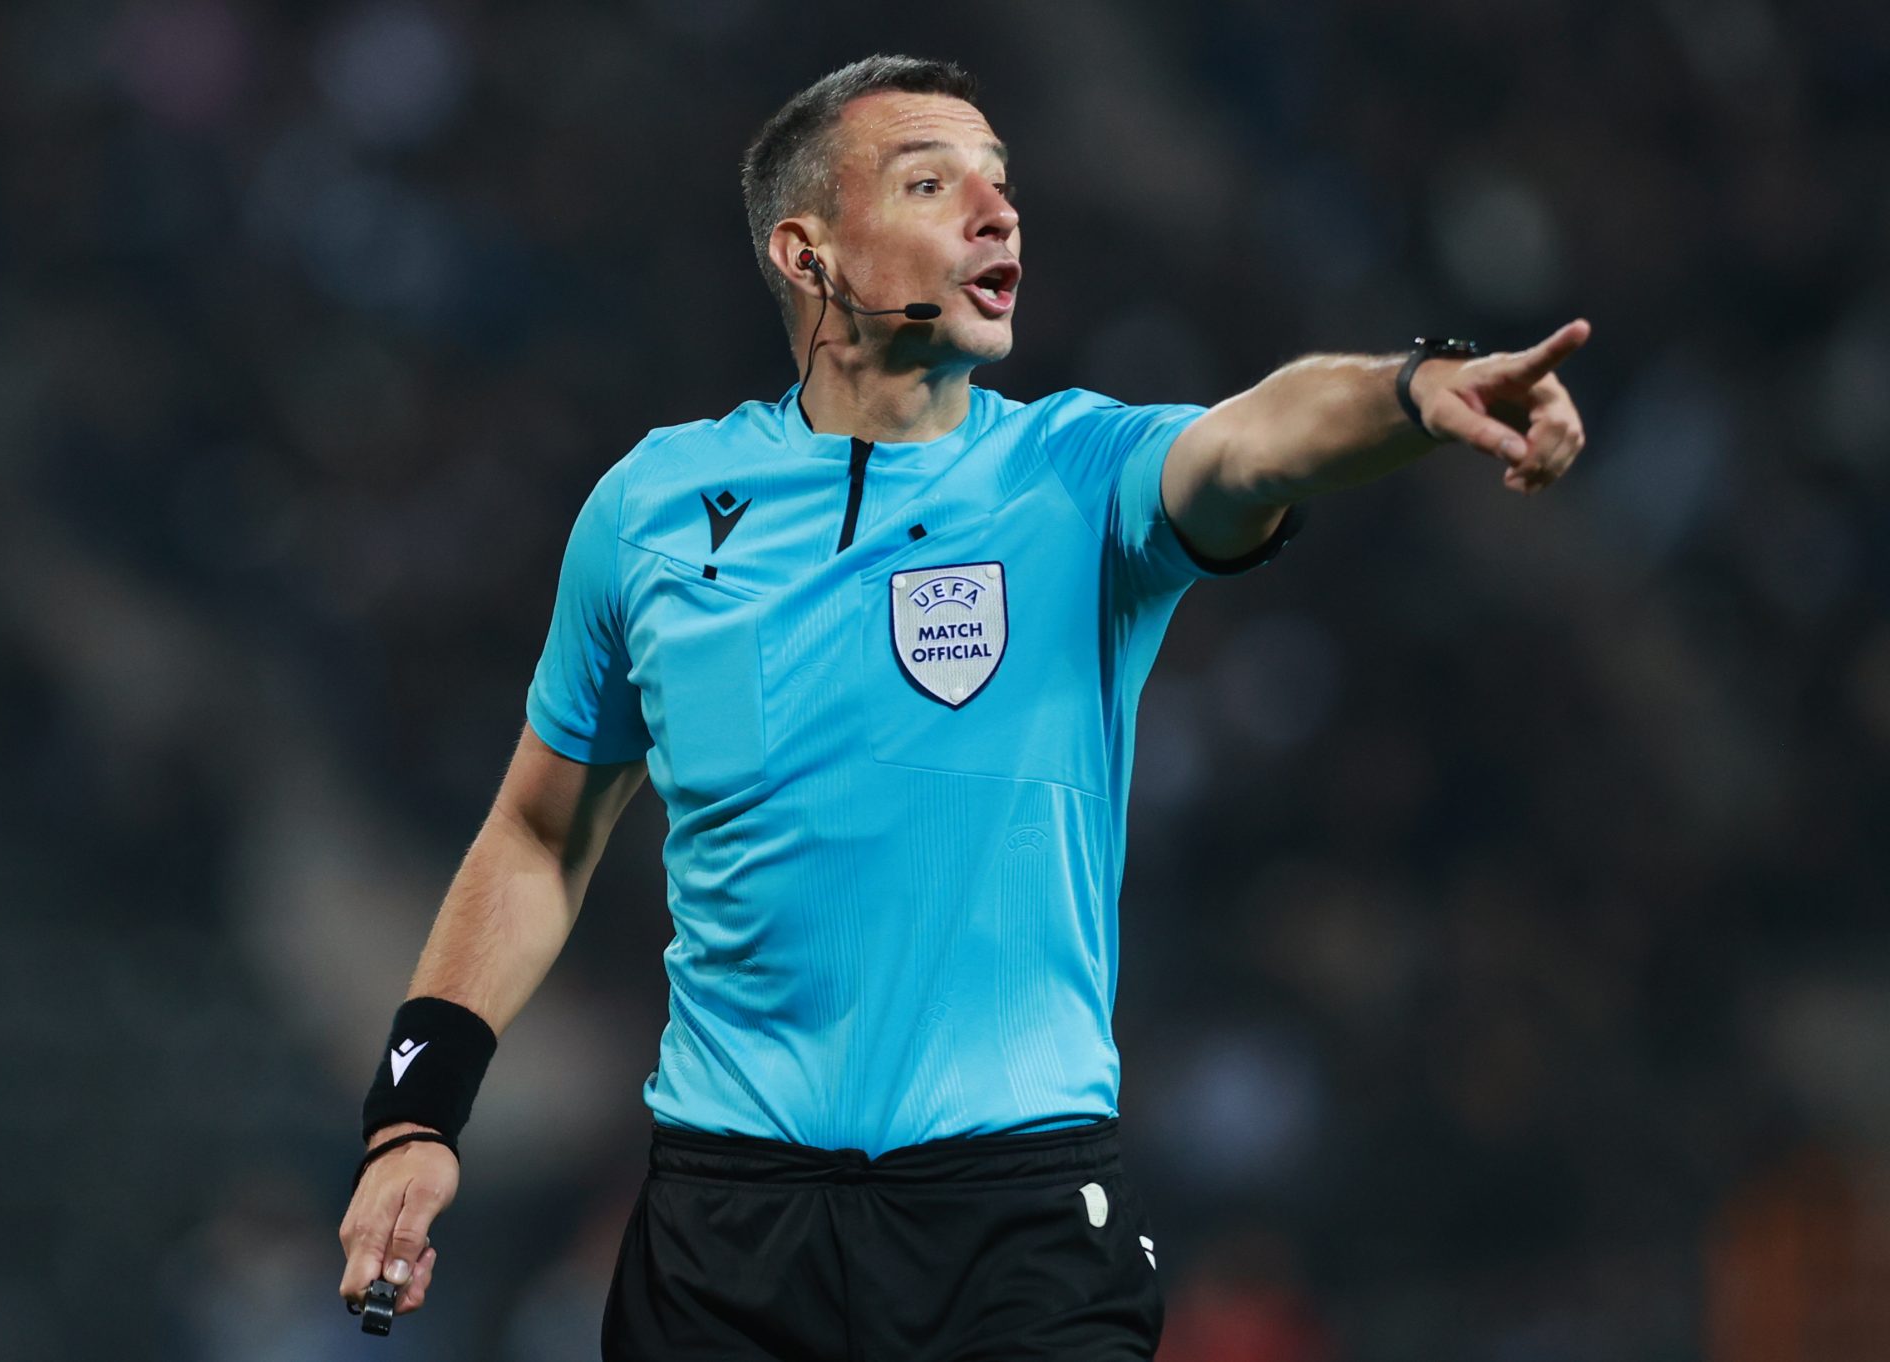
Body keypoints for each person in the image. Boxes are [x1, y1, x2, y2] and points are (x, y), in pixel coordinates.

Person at [335, 53, 1590, 1360]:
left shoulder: (1078, 473)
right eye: (932, 183)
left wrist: (1412, 391)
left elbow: (1256, 436)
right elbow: (538, 837)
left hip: (1017, 1230)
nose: (998, 213)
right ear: (809, 254)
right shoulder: (649, 511)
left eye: (1002, 183)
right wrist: (416, 1115)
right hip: (725, 1235)